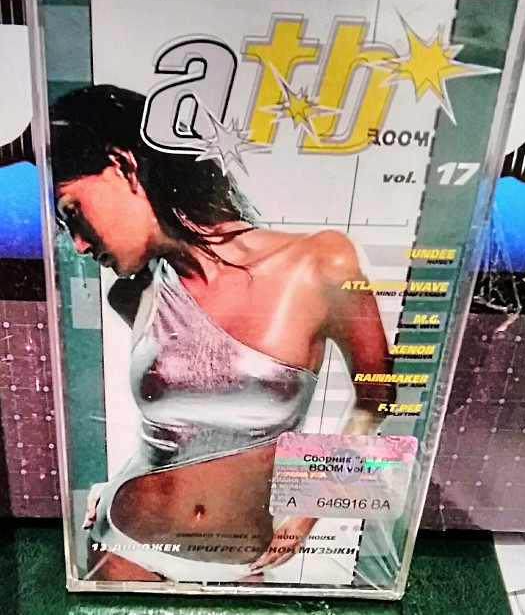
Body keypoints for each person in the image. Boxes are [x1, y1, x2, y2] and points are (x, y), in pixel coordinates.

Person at [51, 85, 395, 583]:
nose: (79, 245)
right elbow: (190, 423)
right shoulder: (132, 294)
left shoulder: (321, 262)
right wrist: (119, 482)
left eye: (72, 212)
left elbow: (377, 401)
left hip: (240, 559)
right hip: (124, 544)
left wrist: (308, 514)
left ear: (123, 166)